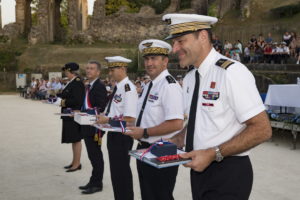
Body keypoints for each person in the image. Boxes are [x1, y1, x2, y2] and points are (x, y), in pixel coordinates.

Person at [162, 13, 272, 200]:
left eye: (180, 41)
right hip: (199, 169)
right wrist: (178, 138)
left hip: (228, 173)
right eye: (174, 43)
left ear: (203, 36)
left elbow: (262, 129)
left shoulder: (231, 72)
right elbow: (201, 119)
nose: (174, 49)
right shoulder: (189, 78)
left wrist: (213, 154)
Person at [124, 39, 184, 200]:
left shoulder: (169, 86)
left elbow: (177, 123)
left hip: (161, 151)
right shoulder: (149, 85)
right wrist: (133, 125)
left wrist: (144, 132)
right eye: (146, 59)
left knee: (160, 195)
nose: (149, 63)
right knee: (148, 194)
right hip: (144, 150)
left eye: (154, 58)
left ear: (165, 61)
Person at [96, 56, 138, 200]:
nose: (110, 73)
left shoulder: (128, 89)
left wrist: (107, 119)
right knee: (116, 173)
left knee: (121, 173)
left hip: (122, 136)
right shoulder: (119, 86)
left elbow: (131, 118)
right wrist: (105, 115)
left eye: (112, 70)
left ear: (122, 69)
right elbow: (116, 111)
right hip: (114, 133)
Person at [79, 60, 108, 195]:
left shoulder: (99, 86)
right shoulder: (89, 85)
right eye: (87, 68)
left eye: (91, 69)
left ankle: (97, 183)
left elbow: (101, 107)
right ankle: (93, 180)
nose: (88, 70)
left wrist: (86, 113)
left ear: (98, 72)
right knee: (92, 155)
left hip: (94, 127)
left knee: (95, 155)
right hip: (86, 124)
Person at [57, 63, 85, 172]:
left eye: (66, 72)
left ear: (70, 71)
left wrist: (63, 102)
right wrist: (57, 97)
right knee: (73, 140)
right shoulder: (72, 82)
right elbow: (67, 95)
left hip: (74, 114)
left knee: (76, 139)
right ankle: (74, 162)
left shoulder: (77, 83)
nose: (65, 73)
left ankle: (77, 164)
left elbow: (77, 100)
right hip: (69, 114)